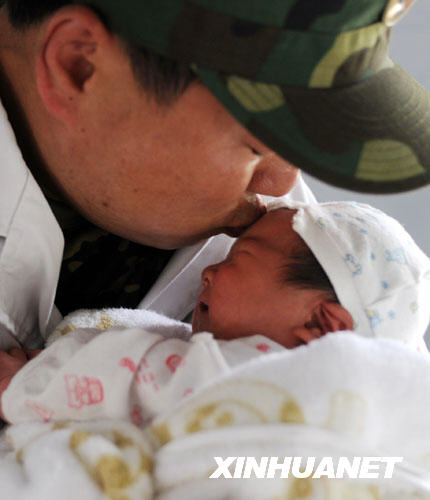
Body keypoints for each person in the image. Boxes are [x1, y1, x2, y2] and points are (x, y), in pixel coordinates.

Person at [0, 0, 429, 353]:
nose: (282, 187)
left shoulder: (289, 241)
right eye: (259, 145)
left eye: (303, 143)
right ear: (79, 66)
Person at [1, 200, 429, 424]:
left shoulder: (263, 376)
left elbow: (133, 377)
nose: (208, 272)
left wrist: (29, 384)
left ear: (320, 325)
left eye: (240, 258)